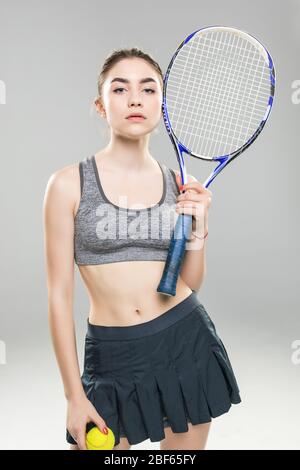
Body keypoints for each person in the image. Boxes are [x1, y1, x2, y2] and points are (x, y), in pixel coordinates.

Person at [43, 47, 242, 451]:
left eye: (148, 89)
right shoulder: (68, 185)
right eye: (120, 89)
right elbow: (59, 296)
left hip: (185, 343)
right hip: (113, 357)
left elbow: (189, 283)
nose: (135, 99)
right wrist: (73, 395)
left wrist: (199, 231)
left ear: (162, 104)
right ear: (101, 105)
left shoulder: (179, 184)